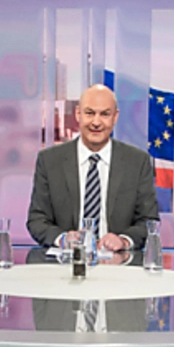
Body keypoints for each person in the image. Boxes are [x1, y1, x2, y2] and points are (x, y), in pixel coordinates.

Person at [27, 84, 160, 251]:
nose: (96, 122)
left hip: (118, 262)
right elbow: (37, 220)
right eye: (89, 113)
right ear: (78, 114)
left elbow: (148, 220)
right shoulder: (50, 160)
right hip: (65, 261)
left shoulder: (137, 162)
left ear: (115, 117)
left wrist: (124, 240)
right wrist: (62, 239)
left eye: (105, 114)